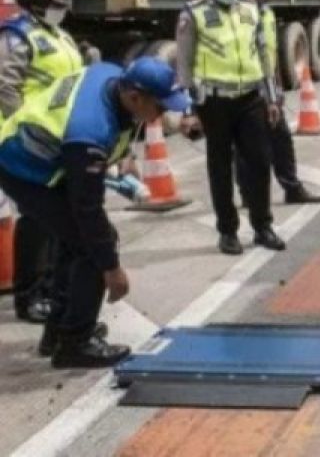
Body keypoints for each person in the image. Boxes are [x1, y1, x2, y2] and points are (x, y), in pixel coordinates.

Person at [0, 58, 191, 367]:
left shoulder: (113, 77)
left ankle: (59, 331)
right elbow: (87, 209)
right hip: (24, 169)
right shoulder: (89, 131)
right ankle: (75, 344)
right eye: (159, 107)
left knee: (72, 242)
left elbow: (121, 123)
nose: (162, 114)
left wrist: (124, 153)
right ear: (135, 97)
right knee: (94, 245)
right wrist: (112, 270)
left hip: (48, 157)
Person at [176, 0, 286, 256]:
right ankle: (228, 231)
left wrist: (272, 97)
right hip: (214, 102)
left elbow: (264, 56)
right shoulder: (193, 13)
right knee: (220, 168)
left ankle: (263, 227)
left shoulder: (252, 10)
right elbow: (184, 65)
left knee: (260, 163)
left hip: (250, 98)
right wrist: (188, 111)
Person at [0, 0, 82, 324]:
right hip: (25, 142)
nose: (62, 4)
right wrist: (25, 134)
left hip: (56, 139)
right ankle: (28, 294)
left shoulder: (59, 36)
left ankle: (49, 287)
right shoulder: (17, 36)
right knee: (34, 218)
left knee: (54, 218)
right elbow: (6, 87)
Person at [237, 0, 320, 205]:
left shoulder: (267, 13)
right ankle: (248, 194)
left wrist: (275, 89)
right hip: (248, 91)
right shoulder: (240, 13)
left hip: (268, 89)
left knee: (281, 140)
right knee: (246, 148)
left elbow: (269, 54)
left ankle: (292, 188)